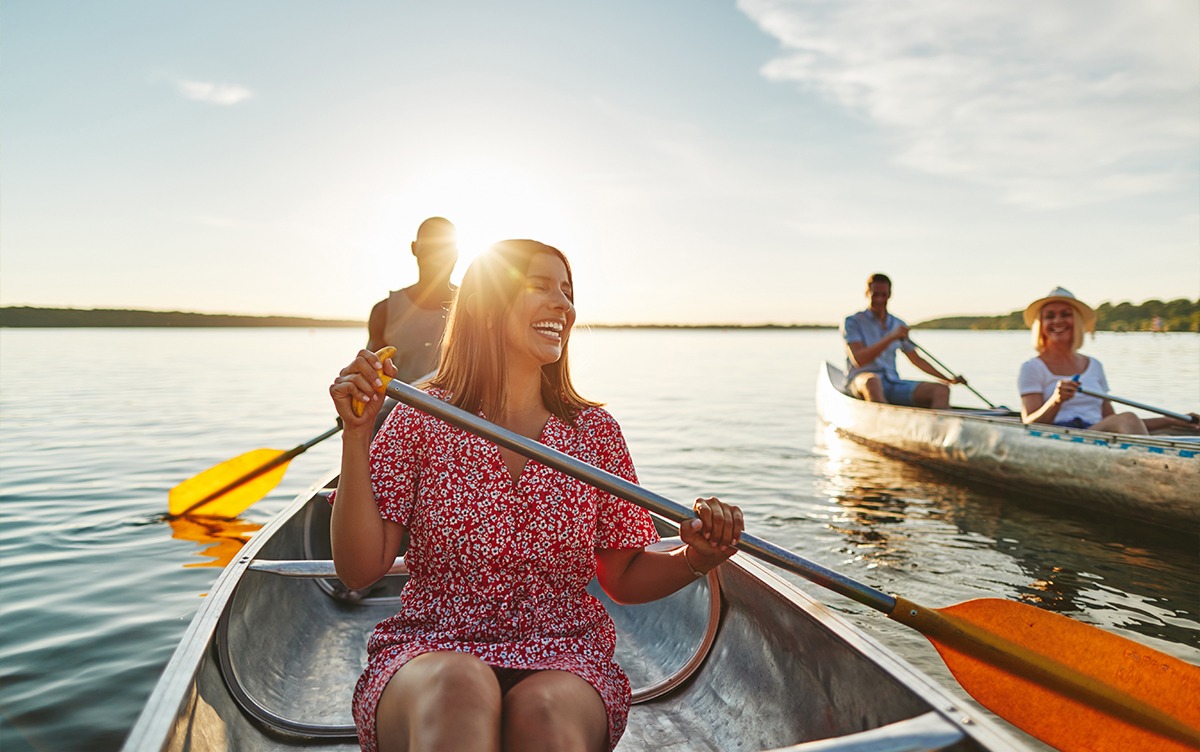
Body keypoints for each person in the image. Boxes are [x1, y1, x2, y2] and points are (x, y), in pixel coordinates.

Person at [329, 239, 745, 752]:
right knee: (459, 686)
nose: (563, 306)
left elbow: (623, 577)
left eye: (567, 292)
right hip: (429, 648)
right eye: (540, 286)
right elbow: (358, 570)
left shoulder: (594, 432)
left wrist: (695, 557)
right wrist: (356, 433)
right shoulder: (418, 416)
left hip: (566, 654)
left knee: (544, 715)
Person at [1018, 287, 1199, 432]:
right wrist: (1056, 401)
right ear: (1041, 326)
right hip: (1059, 437)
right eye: (1050, 316)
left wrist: (1171, 420)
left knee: (1132, 420)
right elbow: (1029, 423)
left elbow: (1112, 421)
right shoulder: (1032, 368)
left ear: (1077, 321)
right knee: (1128, 418)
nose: (1058, 321)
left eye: (1066, 314)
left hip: (1096, 433)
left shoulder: (1094, 365)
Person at [842, 273, 962, 408]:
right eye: (875, 294)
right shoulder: (853, 322)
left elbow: (916, 359)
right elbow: (858, 359)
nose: (880, 299)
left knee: (941, 390)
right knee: (873, 381)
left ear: (889, 294)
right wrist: (891, 337)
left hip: (893, 382)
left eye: (884, 295)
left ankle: (937, 427)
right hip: (861, 382)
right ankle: (884, 425)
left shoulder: (898, 324)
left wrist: (948, 379)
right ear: (867, 293)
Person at [367, 216, 459, 384]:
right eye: (431, 246)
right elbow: (370, 377)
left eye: (445, 247)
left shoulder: (475, 310)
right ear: (414, 248)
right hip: (396, 408)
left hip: (453, 409)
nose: (438, 254)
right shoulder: (384, 311)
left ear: (456, 253)